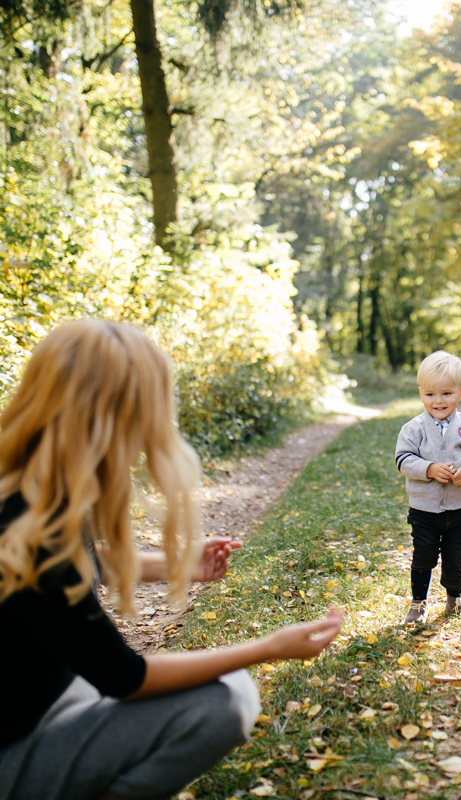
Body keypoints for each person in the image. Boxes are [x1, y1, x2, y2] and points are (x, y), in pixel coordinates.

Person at [0, 319, 343, 800]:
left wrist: (173, 564)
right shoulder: (27, 525)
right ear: (112, 419)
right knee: (227, 699)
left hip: (42, 702)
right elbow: (126, 678)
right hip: (15, 745)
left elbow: (69, 569)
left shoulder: (24, 491)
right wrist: (268, 647)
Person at [395, 350, 461, 624]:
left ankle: (455, 600)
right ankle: (417, 604)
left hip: (460, 508)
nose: (438, 401)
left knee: (456, 557)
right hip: (425, 510)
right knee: (423, 558)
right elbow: (403, 460)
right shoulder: (412, 428)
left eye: (447, 393)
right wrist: (428, 469)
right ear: (421, 394)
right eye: (430, 394)